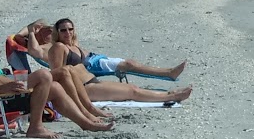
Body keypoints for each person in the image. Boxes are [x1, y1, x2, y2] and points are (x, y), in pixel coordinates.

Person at [0, 23, 110, 137]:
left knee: (54, 87)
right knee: (44, 75)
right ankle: (35, 127)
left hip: (2, 97)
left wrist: (7, 84)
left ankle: (85, 123)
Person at [20, 21, 193, 107]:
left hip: (92, 81)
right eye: (63, 30)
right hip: (84, 88)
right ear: (58, 33)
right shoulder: (57, 48)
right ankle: (172, 96)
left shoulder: (74, 46)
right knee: (132, 91)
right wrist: (31, 31)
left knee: (131, 88)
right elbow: (58, 75)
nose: (67, 32)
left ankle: (170, 92)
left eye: (70, 29)